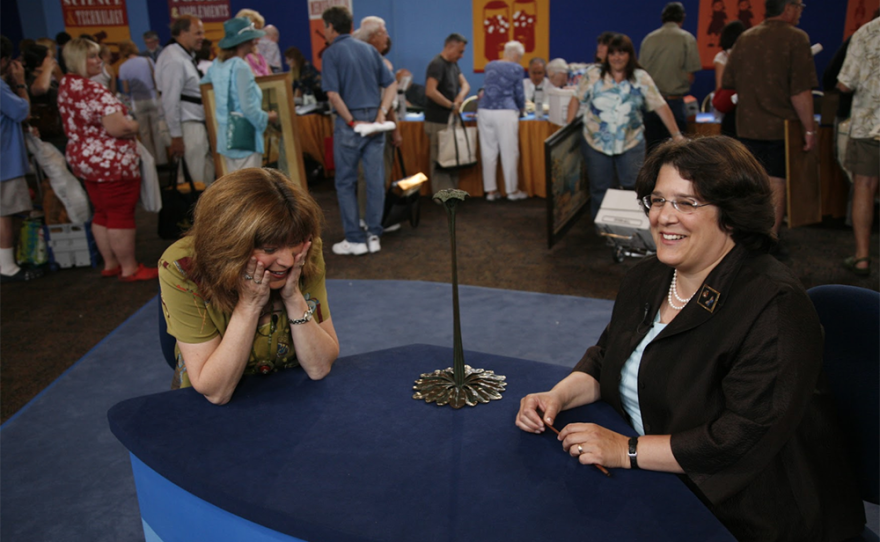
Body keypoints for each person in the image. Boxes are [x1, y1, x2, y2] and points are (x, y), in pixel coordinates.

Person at [515, 136, 866, 542]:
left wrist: (626, 450)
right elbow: (607, 356)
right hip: (658, 483)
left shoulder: (774, 305)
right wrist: (558, 396)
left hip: (749, 512)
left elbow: (738, 437)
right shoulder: (648, 277)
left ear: (731, 216)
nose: (664, 217)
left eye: (687, 203)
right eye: (658, 200)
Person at [158, 167, 339, 404]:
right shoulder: (182, 266)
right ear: (231, 246)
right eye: (269, 249)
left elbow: (320, 367)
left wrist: (293, 297)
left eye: (294, 243)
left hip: (291, 395)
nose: (286, 261)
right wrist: (249, 306)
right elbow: (216, 392)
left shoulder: (306, 251)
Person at [57, 38, 157, 282]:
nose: (98, 61)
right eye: (92, 56)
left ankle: (111, 264)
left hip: (85, 160)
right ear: (78, 59)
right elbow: (118, 128)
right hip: (111, 161)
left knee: (102, 212)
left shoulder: (66, 85)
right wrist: (134, 124)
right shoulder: (92, 89)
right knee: (120, 213)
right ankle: (129, 268)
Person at [721, 0, 817, 249]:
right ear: (788, 8)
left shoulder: (745, 38)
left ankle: (745, 237)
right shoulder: (796, 38)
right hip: (780, 126)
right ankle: (768, 241)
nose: (800, 11)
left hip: (746, 124)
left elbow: (728, 80)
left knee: (748, 182)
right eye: (799, 6)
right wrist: (809, 129)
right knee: (776, 182)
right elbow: (800, 91)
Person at [566, 33, 684, 218]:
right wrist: (568, 129)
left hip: (631, 142)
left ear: (629, 55)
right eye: (612, 53)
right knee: (599, 188)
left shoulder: (640, 77)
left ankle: (629, 228)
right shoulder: (593, 75)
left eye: (621, 53)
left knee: (632, 187)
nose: (617, 57)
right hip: (596, 143)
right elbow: (576, 99)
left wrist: (676, 134)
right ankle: (603, 230)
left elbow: (660, 105)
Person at [321, 6, 396, 256]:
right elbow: (391, 83)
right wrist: (381, 113)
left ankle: (355, 240)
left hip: (350, 126)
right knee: (375, 181)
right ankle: (374, 234)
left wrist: (352, 122)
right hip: (375, 124)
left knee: (345, 183)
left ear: (331, 27)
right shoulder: (369, 50)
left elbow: (333, 95)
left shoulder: (332, 54)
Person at [201, 17, 278, 173]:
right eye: (252, 39)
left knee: (236, 186)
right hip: (244, 138)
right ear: (244, 42)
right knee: (248, 188)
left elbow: (204, 85)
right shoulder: (240, 67)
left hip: (225, 136)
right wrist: (266, 117)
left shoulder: (217, 64)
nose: (256, 42)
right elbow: (247, 106)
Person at [837, 14, 880, 276]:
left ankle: (862, 257)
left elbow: (844, 83)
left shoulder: (865, 33)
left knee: (864, 186)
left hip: (869, 125)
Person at [155, 15, 215, 185]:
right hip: (187, 127)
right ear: (182, 33)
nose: (202, 37)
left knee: (203, 174)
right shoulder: (174, 59)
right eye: (198, 33)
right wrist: (176, 136)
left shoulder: (184, 56)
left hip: (193, 125)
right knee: (194, 179)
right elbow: (170, 99)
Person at [0, 35, 40, 282]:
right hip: (5, 162)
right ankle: (7, 267)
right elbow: (22, 111)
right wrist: (21, 83)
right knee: (6, 212)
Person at [639, 2, 702, 152]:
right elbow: (690, 73)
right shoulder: (687, 38)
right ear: (682, 18)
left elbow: (640, 72)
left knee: (652, 152)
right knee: (676, 153)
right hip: (675, 103)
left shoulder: (649, 38)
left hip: (650, 104)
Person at [478, 40, 527, 202]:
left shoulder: (490, 65)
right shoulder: (516, 68)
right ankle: (512, 191)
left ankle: (491, 191)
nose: (519, 60)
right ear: (515, 54)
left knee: (488, 151)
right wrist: (522, 109)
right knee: (509, 151)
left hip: (484, 109)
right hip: (505, 111)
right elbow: (519, 92)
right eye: (519, 57)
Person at [424, 33, 470, 193]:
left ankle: (452, 191)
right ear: (450, 46)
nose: (461, 56)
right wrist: (451, 105)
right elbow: (430, 91)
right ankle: (443, 195)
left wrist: (459, 97)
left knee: (452, 157)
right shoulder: (437, 64)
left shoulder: (453, 64)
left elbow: (465, 85)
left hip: (450, 119)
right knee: (440, 159)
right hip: (438, 120)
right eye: (460, 51)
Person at [118, 39, 166, 165]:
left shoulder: (123, 67)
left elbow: (126, 88)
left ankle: (151, 162)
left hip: (137, 102)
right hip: (152, 98)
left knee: (144, 133)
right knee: (157, 131)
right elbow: (156, 80)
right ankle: (163, 160)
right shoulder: (147, 61)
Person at [712, 21, 746, 138]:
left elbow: (720, 86)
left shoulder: (722, 57)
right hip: (747, 107)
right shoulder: (748, 54)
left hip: (730, 107)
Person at [235, 9, 272, 77]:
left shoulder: (260, 57)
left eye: (259, 30)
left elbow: (273, 80)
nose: (257, 36)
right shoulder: (239, 58)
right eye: (254, 31)